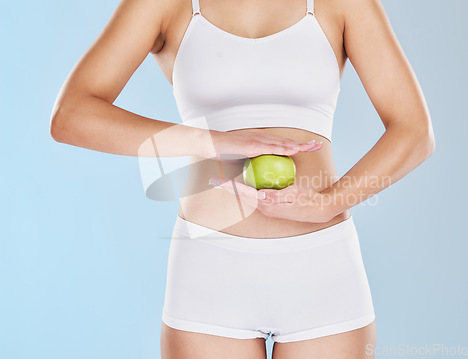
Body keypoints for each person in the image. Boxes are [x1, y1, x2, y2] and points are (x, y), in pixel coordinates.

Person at [50, 0, 435, 357]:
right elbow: (71, 115)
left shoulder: (340, 4)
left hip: (322, 268)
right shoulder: (167, 5)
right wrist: (214, 141)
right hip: (209, 271)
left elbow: (414, 130)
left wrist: (327, 204)